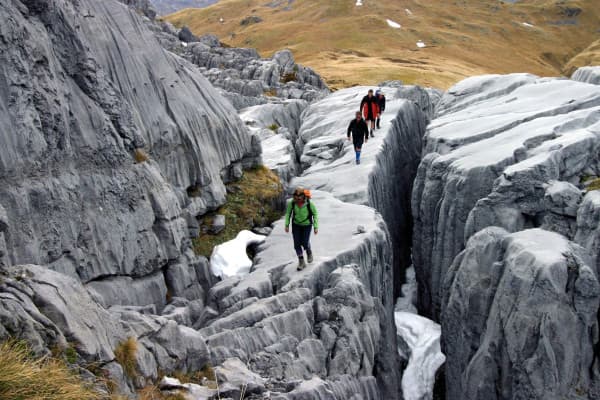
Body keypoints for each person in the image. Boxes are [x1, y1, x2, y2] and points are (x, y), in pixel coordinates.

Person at [284, 188, 318, 270]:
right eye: (296, 197)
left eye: (299, 197)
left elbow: (315, 214)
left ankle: (309, 251)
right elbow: (288, 213)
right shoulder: (292, 203)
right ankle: (301, 261)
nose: (298, 199)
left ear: (303, 197)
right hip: (296, 225)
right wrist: (287, 224)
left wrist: (315, 226)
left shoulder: (310, 204)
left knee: (305, 242)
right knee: (296, 244)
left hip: (307, 225)